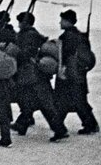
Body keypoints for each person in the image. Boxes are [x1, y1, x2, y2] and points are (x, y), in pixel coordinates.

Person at [11, 11, 70, 142]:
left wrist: (15, 50)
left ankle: (60, 130)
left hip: (32, 75)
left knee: (44, 104)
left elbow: (24, 54)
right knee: (30, 102)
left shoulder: (27, 36)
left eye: (20, 22)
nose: (19, 25)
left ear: (23, 23)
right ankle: (22, 126)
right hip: (36, 75)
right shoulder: (32, 34)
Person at [53, 10, 99, 135]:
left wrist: (62, 71)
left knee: (63, 100)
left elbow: (64, 56)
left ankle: (58, 126)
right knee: (79, 100)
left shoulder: (67, 37)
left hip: (69, 74)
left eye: (62, 20)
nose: (59, 22)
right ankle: (90, 124)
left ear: (67, 21)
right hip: (80, 73)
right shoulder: (81, 36)